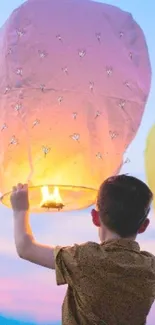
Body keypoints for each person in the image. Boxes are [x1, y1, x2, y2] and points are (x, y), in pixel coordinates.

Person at [10, 174, 155, 325]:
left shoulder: (84, 258)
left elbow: (25, 248)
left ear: (95, 217)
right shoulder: (150, 267)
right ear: (144, 225)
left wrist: (20, 210)